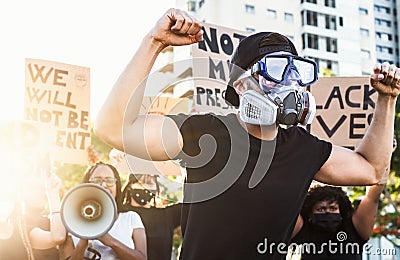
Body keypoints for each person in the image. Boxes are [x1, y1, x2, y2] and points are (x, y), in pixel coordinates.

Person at [94, 8, 400, 260]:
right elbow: (112, 128)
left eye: (296, 72)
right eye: (277, 69)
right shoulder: (205, 132)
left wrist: (386, 99)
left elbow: (372, 168)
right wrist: (154, 42)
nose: (289, 83)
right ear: (241, 85)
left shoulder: (304, 149)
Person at [289, 138, 397, 259]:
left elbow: (372, 196)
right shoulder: (302, 230)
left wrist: (385, 155)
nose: (327, 212)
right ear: (309, 211)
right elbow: (286, 199)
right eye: (321, 209)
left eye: (333, 208)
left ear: (341, 209)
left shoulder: (354, 229)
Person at [64, 161, 147, 260]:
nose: (103, 185)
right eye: (96, 180)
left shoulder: (131, 218)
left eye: (110, 181)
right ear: (87, 185)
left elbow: (142, 258)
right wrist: (82, 242)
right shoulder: (72, 222)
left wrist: (110, 241)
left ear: (117, 185)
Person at [121, 173, 182, 260]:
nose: (145, 188)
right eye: (141, 182)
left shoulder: (167, 215)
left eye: (150, 184)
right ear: (130, 186)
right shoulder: (119, 214)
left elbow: (195, 204)